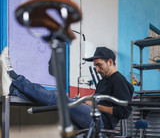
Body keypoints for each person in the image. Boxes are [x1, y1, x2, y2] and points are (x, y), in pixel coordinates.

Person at [0, 46, 134, 129]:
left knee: (59, 98)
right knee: (55, 99)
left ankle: (14, 77)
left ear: (110, 62)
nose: (97, 69)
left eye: (99, 65)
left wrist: (94, 106)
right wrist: (83, 100)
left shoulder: (119, 81)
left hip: (101, 121)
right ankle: (12, 90)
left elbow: (124, 112)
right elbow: (98, 99)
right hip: (93, 115)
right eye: (95, 66)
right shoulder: (104, 80)